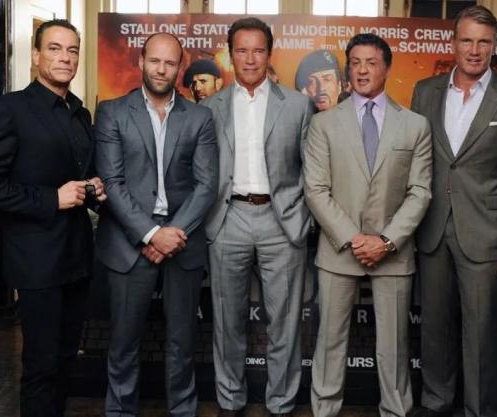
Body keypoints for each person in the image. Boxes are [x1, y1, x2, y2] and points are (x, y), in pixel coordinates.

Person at [0, 19, 106, 416]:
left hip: (77, 259)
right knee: (41, 368)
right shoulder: (9, 109)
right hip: (36, 261)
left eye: (72, 50)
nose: (65, 58)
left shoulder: (80, 112)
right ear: (35, 55)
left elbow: (79, 176)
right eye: (54, 48)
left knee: (65, 364)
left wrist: (94, 188)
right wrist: (51, 199)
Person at [410, 5, 497, 417]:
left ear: (494, 46)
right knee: (434, 327)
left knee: (480, 333)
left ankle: (480, 410)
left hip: (486, 233)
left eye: (484, 42)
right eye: (467, 40)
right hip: (431, 228)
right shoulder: (425, 92)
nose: (475, 50)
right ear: (454, 43)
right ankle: (436, 402)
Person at [305, 33, 433, 417]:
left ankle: (395, 410)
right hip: (338, 249)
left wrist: (386, 241)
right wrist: (353, 238)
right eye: (355, 63)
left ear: (386, 68)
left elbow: (420, 192)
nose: (362, 70)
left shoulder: (415, 125)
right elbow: (315, 190)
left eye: (371, 62)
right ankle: (324, 410)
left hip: (393, 252)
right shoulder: (323, 123)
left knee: (394, 345)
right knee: (330, 340)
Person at [93, 32, 218, 417]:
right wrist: (150, 234)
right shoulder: (112, 112)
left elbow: (206, 184)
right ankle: (119, 412)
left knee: (182, 342)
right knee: (123, 343)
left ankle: (183, 411)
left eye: (170, 62)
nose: (161, 69)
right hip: (129, 242)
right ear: (141, 62)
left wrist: (171, 235)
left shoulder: (200, 117)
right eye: (155, 61)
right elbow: (112, 182)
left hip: (182, 240)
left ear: (180, 67)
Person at [200, 17, 313, 417]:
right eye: (242, 51)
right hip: (227, 218)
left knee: (285, 322)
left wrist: (303, 217)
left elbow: (312, 170)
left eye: (258, 50)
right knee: (226, 321)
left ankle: (280, 403)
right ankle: (230, 400)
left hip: (281, 221)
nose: (250, 59)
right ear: (230, 55)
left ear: (269, 54)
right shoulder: (209, 107)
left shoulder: (298, 105)